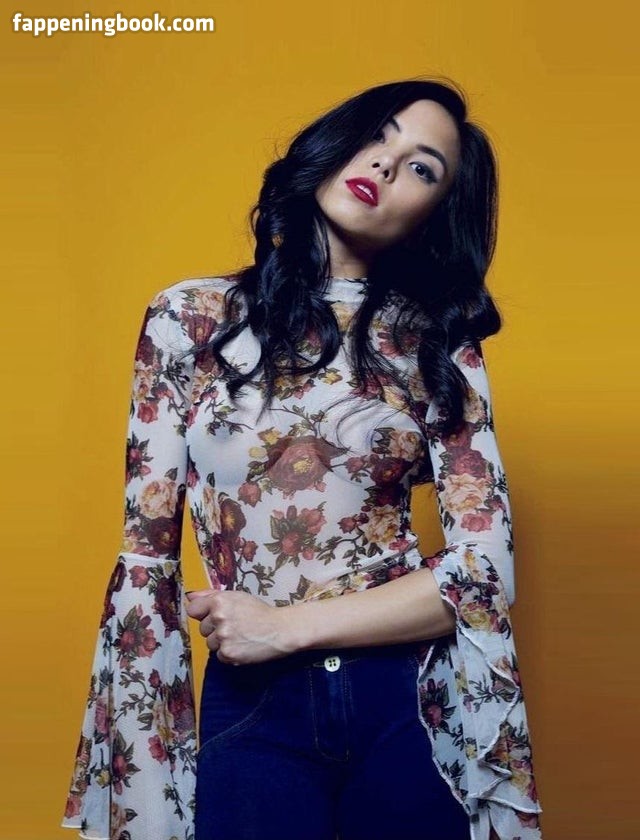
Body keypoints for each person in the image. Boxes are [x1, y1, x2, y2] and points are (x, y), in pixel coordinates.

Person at [62, 78, 543, 840]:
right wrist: (148, 794)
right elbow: (145, 567)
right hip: (253, 707)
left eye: (423, 168)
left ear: (434, 212)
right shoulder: (189, 319)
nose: (386, 165)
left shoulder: (436, 341)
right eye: (379, 135)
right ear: (337, 140)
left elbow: (486, 574)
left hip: (408, 704)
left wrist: (285, 627)